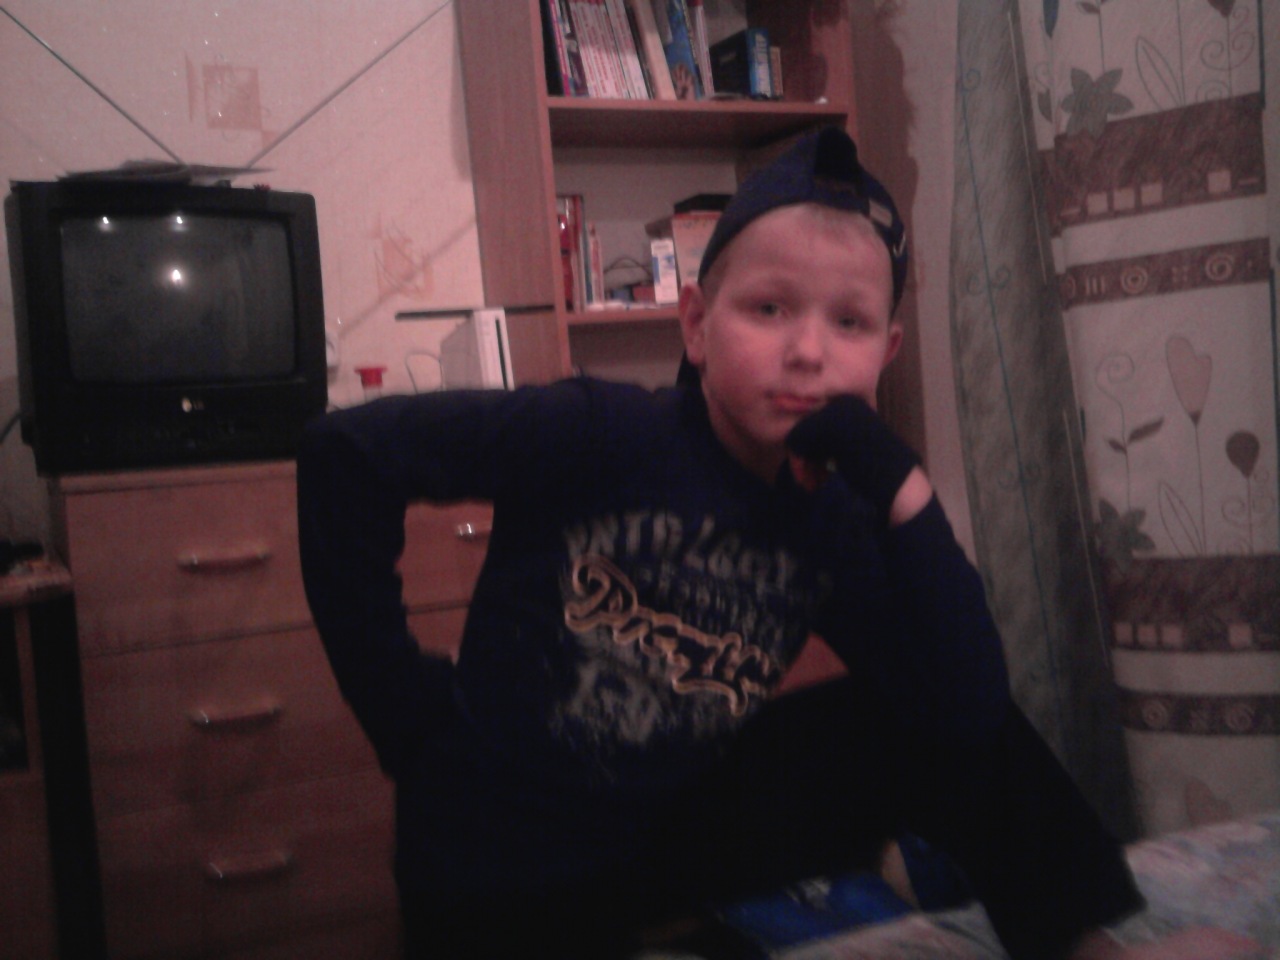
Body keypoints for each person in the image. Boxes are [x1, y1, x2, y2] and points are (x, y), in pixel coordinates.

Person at [296, 127, 1252, 960]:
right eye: (769, 309)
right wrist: (399, 707)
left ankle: (1087, 950)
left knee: (922, 721)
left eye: (849, 322)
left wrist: (902, 486)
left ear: (885, 350)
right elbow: (347, 453)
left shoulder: (833, 518)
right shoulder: (602, 431)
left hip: (665, 826)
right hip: (500, 849)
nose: (808, 350)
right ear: (696, 325)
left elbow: (963, 714)